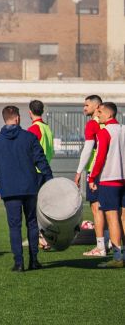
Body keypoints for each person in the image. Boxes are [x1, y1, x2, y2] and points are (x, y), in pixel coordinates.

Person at [0, 105, 53, 272]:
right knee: (32, 223)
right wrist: (50, 180)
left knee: (14, 226)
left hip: (10, 190)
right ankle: (34, 260)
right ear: (17, 118)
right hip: (30, 188)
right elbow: (41, 160)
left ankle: (18, 263)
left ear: (5, 119)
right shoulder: (29, 137)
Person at [87, 102, 125, 269]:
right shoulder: (123, 129)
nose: (97, 115)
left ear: (109, 115)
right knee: (124, 217)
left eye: (100, 112)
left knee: (113, 218)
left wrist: (92, 177)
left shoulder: (104, 132)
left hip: (110, 180)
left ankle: (117, 257)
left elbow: (100, 157)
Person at [74, 94, 109, 257]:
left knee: (96, 209)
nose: (84, 108)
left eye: (86, 105)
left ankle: (100, 246)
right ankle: (111, 242)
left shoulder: (92, 125)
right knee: (111, 208)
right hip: (111, 171)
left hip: (96, 171)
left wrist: (79, 171)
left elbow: (88, 150)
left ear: (97, 107)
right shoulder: (110, 124)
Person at [25, 99, 54, 250]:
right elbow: (52, 151)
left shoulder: (33, 129)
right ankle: (45, 236)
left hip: (35, 172)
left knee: (33, 206)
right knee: (44, 206)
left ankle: (38, 237)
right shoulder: (47, 128)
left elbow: (29, 152)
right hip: (46, 170)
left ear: (30, 112)